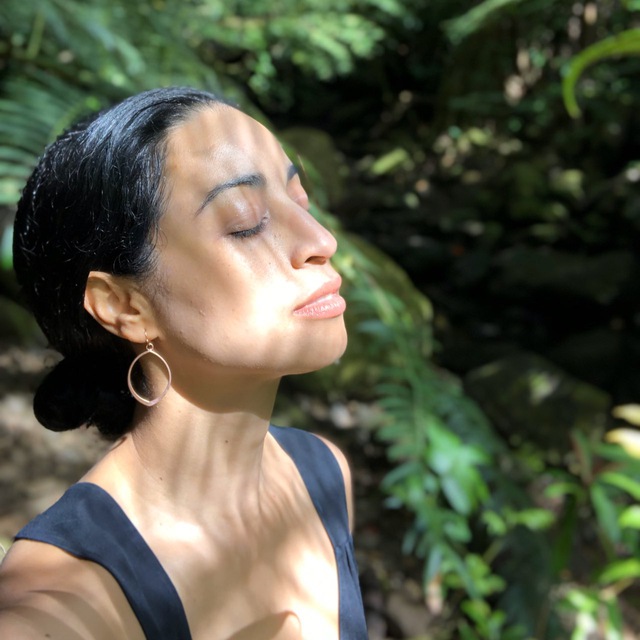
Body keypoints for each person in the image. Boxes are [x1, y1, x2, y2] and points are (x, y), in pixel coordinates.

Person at [0, 86, 367, 640]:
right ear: (124, 306)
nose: (320, 240)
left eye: (302, 201)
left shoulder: (323, 475)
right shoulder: (64, 605)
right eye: (246, 222)